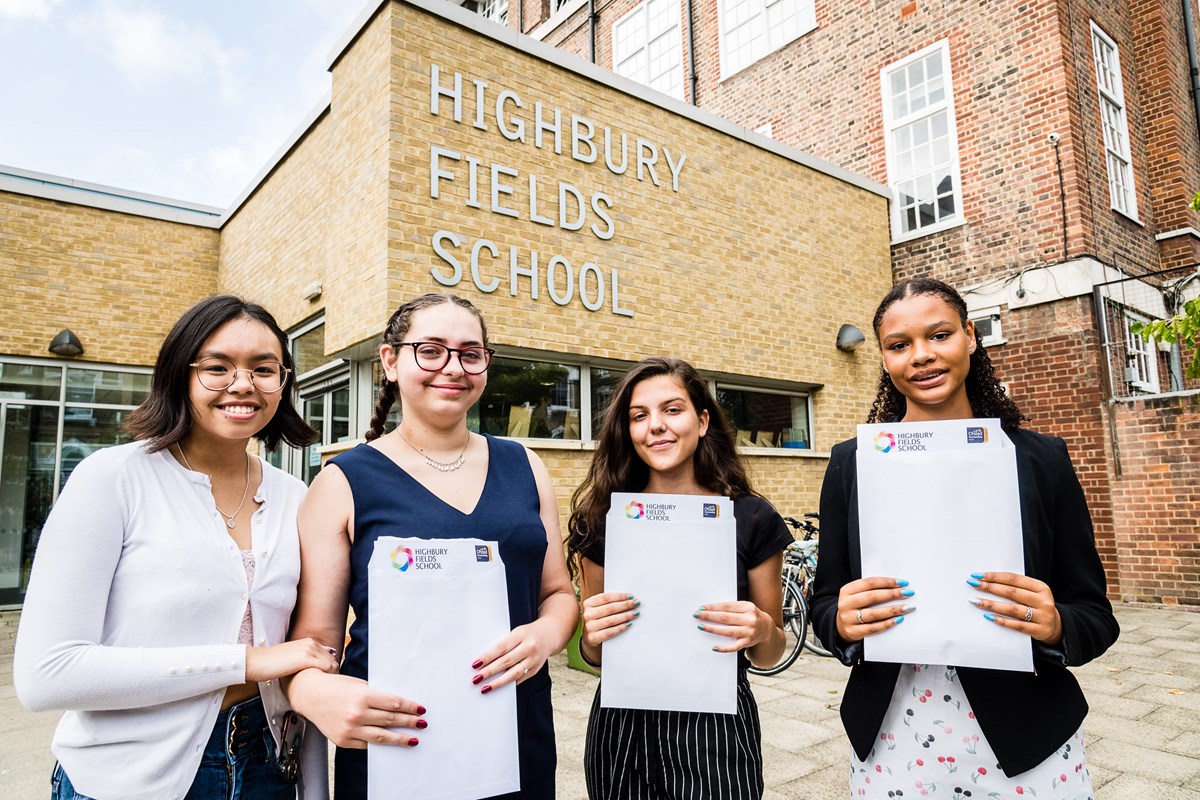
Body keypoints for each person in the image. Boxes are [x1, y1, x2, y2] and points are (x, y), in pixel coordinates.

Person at [14, 295, 338, 800]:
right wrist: (248, 662)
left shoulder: (295, 495)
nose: (243, 384)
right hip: (130, 774)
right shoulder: (113, 479)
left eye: (264, 368)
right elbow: (47, 675)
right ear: (178, 375)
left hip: (266, 763)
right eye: (217, 367)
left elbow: (311, 643)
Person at [810, 277, 1120, 798]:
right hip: (892, 739)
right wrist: (840, 621)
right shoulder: (852, 464)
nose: (922, 356)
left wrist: (1055, 624)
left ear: (971, 336)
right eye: (899, 345)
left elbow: (1095, 617)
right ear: (884, 359)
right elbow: (824, 604)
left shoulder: (1039, 460)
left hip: (1027, 741)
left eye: (940, 335)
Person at [285, 293, 577, 799]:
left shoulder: (525, 465)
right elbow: (316, 641)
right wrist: (313, 693)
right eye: (431, 350)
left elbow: (558, 592)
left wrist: (548, 634)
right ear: (390, 361)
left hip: (513, 730)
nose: (453, 368)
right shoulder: (342, 482)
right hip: (395, 741)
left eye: (470, 353)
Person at [567, 357, 792, 800]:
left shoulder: (750, 517)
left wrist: (762, 628)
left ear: (703, 420)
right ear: (628, 432)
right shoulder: (603, 520)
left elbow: (770, 653)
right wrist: (592, 635)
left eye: (672, 410)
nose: (656, 426)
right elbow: (593, 655)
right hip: (622, 724)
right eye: (639, 416)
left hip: (717, 724)